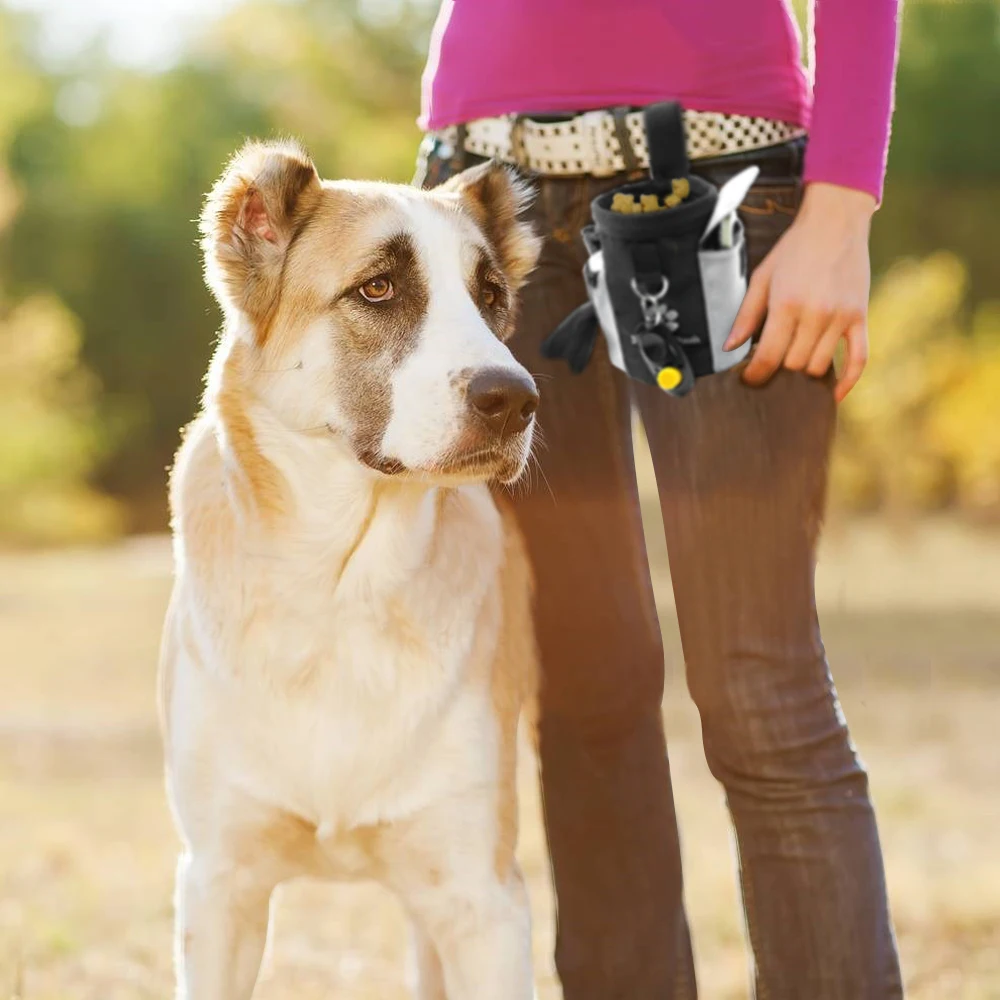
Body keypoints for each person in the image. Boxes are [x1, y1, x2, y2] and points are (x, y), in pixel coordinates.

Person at [414, 2, 903, 997]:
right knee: (586, 683)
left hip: (728, 185)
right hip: (484, 193)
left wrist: (841, 206)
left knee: (757, 685)